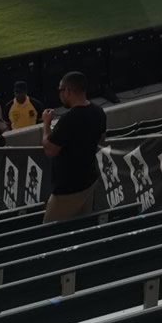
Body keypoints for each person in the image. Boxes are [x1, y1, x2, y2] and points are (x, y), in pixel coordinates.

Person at [41, 72, 107, 223]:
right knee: (82, 226)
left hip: (69, 188)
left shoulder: (68, 119)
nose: (60, 94)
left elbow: (50, 149)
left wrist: (46, 123)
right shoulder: (99, 111)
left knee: (50, 232)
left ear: (68, 91)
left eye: (60, 90)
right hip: (89, 179)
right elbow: (101, 139)